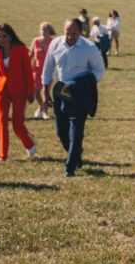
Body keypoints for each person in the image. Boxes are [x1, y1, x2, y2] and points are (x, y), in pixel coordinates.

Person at [41, 18, 105, 177]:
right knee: (61, 132)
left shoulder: (89, 48)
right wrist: (45, 91)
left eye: (74, 33)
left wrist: (83, 83)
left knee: (76, 132)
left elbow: (99, 70)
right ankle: (76, 154)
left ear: (81, 32)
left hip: (79, 95)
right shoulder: (55, 44)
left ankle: (70, 167)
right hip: (60, 93)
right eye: (67, 33)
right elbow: (48, 69)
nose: (70, 36)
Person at [0, 23, 37, 163]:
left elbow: (28, 72)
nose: (1, 39)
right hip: (1, 90)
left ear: (10, 36)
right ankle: (1, 155)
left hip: (19, 90)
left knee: (17, 124)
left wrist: (31, 91)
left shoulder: (21, 50)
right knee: (1, 120)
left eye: (4, 36)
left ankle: (30, 144)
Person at [30, 23, 55, 119]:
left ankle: (45, 112)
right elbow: (31, 54)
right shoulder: (36, 41)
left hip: (49, 70)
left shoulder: (53, 42)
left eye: (45, 29)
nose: (43, 31)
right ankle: (42, 107)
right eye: (41, 29)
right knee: (36, 92)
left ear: (49, 31)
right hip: (37, 70)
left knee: (46, 92)